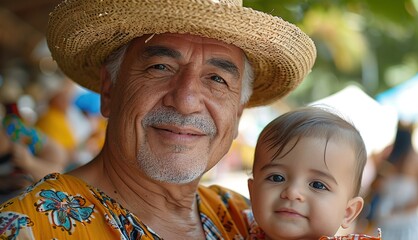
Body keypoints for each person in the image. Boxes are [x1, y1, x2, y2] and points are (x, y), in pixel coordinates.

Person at [0, 0, 317, 239]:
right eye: (160, 67)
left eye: (217, 79)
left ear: (237, 114)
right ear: (109, 91)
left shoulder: (247, 219)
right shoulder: (28, 228)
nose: (186, 100)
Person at [246, 107, 382, 239]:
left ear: (347, 212)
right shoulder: (235, 229)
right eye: (277, 177)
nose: (292, 193)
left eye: (317, 185)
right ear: (252, 191)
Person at [368, 123, 418, 240]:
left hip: (405, 221)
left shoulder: (416, 160)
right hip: (384, 217)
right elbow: (374, 184)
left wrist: (400, 210)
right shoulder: (388, 153)